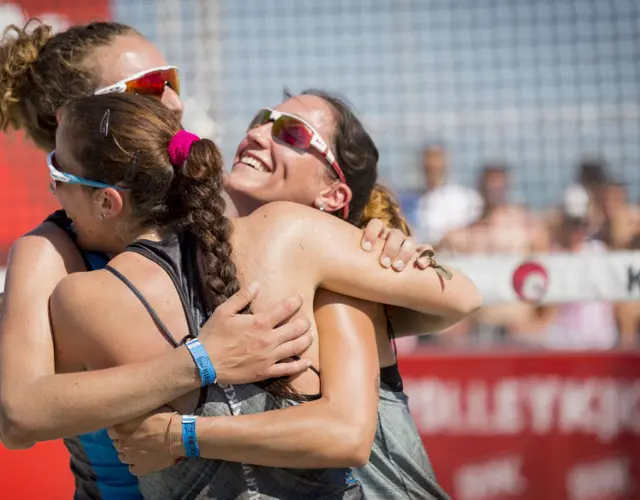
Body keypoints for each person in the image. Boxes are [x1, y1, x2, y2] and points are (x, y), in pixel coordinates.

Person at [0, 19, 442, 499]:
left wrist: (387, 250)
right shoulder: (49, 252)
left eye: (172, 80)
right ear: (77, 116)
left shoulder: (217, 215)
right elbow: (19, 416)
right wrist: (198, 362)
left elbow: (455, 300)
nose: (175, 101)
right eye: (150, 86)